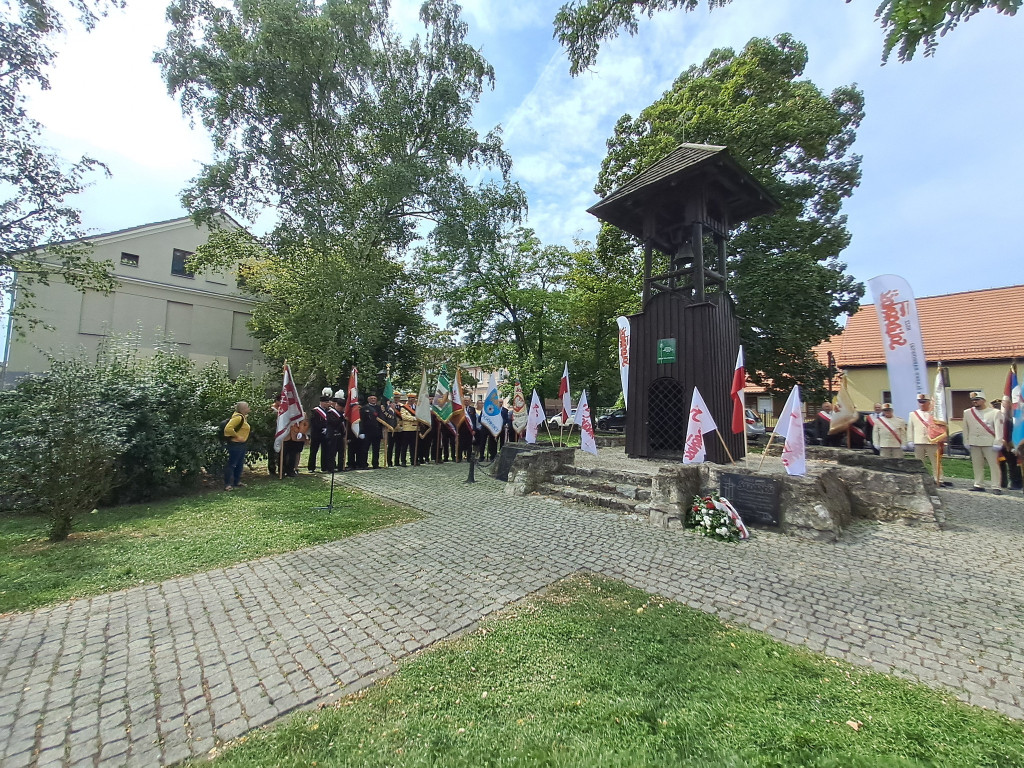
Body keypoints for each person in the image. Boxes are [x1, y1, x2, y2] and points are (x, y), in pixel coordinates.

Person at [962, 391, 1001, 493]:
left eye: (977, 400)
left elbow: (998, 429)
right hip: (974, 442)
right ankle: (978, 484)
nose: (975, 402)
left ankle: (996, 486)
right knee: (977, 464)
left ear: (983, 400)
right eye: (973, 400)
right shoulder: (967, 412)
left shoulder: (994, 412)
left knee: (994, 465)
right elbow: (965, 428)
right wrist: (966, 441)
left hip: (989, 442)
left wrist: (998, 442)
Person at [908, 393, 947, 484]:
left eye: (924, 402)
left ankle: (938, 479)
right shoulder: (913, 414)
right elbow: (910, 428)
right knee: (919, 462)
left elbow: (941, 427)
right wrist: (910, 440)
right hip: (919, 441)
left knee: (935, 462)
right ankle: (919, 479)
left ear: (929, 402)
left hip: (932, 441)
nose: (922, 404)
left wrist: (941, 439)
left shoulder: (934, 414)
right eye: (920, 402)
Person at [993, 398, 1023, 491]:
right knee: (1001, 464)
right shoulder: (997, 417)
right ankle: (1003, 482)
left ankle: (1016, 483)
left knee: (1014, 464)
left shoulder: (1014, 418)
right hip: (1000, 443)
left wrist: (1012, 442)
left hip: (1013, 443)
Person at [223, 401, 250, 490]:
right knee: (232, 464)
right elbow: (228, 428)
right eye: (247, 407)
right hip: (235, 444)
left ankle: (236, 481)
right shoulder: (238, 418)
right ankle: (228, 484)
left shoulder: (243, 417)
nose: (249, 408)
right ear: (243, 409)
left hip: (241, 444)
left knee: (239, 464)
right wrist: (237, 437)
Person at [307, 388, 333, 472]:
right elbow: (314, 423)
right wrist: (322, 428)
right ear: (321, 402)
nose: (327, 404)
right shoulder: (315, 411)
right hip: (316, 434)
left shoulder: (329, 411)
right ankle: (311, 467)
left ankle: (324, 467)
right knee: (314, 451)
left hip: (326, 434)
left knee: (325, 451)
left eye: (328, 402)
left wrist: (327, 428)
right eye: (326, 402)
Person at [358, 394, 383, 468]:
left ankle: (375, 464)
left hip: (377, 432)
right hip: (367, 431)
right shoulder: (365, 408)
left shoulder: (379, 408)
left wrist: (381, 433)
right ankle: (364, 464)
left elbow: (381, 420)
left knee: (376, 449)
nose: (373, 400)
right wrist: (361, 432)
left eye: (374, 398)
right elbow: (361, 421)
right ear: (368, 400)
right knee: (365, 449)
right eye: (371, 398)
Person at [396, 392, 418, 466]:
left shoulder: (417, 407)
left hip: (416, 429)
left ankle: (413, 460)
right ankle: (403, 461)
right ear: (408, 399)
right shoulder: (404, 407)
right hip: (407, 429)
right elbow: (404, 417)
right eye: (410, 398)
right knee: (404, 446)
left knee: (414, 446)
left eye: (413, 398)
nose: (412, 400)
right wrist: (414, 418)